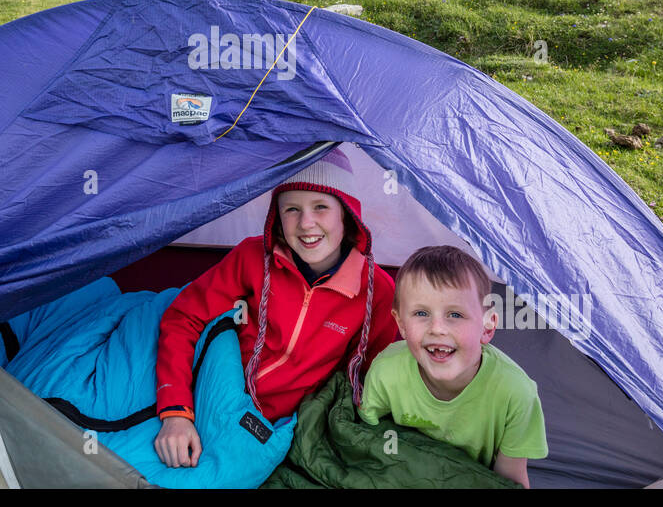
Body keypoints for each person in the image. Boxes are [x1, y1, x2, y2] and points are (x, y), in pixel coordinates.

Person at [153, 148, 397, 468]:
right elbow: (184, 315)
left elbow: (374, 375)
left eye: (321, 207)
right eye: (292, 209)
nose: (306, 223)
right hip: (210, 391)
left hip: (283, 424)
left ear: (347, 214)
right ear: (277, 216)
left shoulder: (376, 289)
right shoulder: (252, 257)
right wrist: (175, 412)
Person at [358, 244, 547, 488]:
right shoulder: (385, 371)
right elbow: (367, 443)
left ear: (487, 327)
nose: (437, 328)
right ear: (401, 325)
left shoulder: (516, 393)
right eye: (421, 313)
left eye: (455, 315)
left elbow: (509, 480)